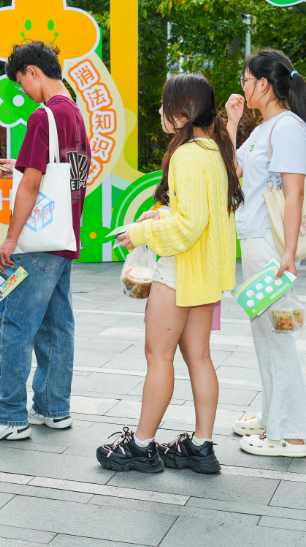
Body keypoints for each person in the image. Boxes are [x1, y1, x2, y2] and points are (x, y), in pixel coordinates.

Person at [96, 74, 241, 474]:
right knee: (200, 358)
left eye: (164, 105)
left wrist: (138, 232)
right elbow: (201, 216)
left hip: (179, 272)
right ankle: (200, 446)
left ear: (181, 114)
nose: (160, 111)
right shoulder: (214, 152)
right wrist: (163, 214)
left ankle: (141, 447)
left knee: (158, 357)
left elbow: (188, 226)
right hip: (206, 275)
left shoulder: (186, 156)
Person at [0, 42, 90, 442]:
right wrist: (14, 169)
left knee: (14, 324)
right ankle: (54, 409)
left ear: (33, 71)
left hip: (36, 244)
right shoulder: (74, 114)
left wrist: (10, 239)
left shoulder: (43, 117)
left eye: (22, 83)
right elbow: (66, 176)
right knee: (56, 328)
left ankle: (7, 415)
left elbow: (33, 183)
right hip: (63, 237)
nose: (24, 92)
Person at [225, 49, 306, 458]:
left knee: (276, 336)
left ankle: (294, 436)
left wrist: (289, 252)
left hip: (269, 244)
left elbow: (295, 190)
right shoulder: (267, 127)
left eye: (247, 80)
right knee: (266, 335)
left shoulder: (286, 127)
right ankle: (274, 418)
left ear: (264, 84)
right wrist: (231, 124)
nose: (244, 87)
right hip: (256, 240)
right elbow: (234, 175)